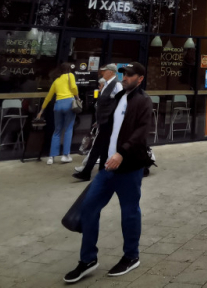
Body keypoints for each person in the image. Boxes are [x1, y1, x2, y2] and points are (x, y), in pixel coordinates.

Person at [65, 63, 154, 283]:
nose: (125, 77)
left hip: (129, 166)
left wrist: (122, 153)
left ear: (140, 79)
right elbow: (111, 128)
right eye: (124, 74)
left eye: (130, 75)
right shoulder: (120, 97)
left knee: (129, 212)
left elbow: (142, 131)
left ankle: (131, 256)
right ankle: (88, 259)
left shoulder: (143, 101)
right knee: (88, 207)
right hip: (108, 166)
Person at [73, 64, 121, 181]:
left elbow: (121, 102)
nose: (102, 73)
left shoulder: (117, 85)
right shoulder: (107, 84)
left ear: (111, 72)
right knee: (103, 147)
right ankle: (101, 172)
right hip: (104, 120)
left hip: (109, 121)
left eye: (105, 71)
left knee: (97, 147)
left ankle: (87, 172)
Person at [41, 63, 80, 165]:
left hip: (58, 105)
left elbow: (48, 97)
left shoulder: (56, 81)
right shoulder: (70, 75)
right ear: (68, 69)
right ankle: (65, 155)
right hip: (69, 104)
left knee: (57, 131)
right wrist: (77, 97)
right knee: (68, 129)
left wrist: (41, 110)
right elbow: (74, 87)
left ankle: (51, 157)